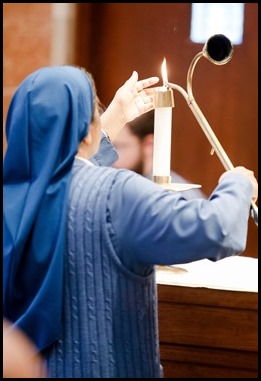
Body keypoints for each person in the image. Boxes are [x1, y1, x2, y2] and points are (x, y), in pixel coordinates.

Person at [3, 66, 258, 378]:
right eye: (95, 110)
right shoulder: (116, 194)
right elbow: (216, 229)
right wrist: (237, 184)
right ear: (86, 129)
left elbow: (60, 178)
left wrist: (108, 122)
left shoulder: (15, 198)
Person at [113, 110, 206, 199]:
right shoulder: (116, 188)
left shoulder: (180, 199)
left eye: (117, 147)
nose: (110, 157)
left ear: (149, 145)